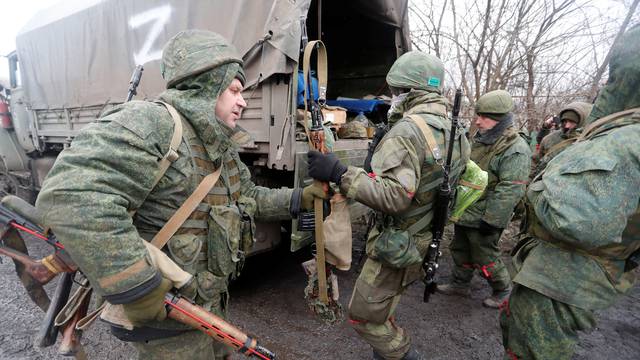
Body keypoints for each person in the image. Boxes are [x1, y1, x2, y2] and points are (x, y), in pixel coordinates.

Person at [35, 30, 324, 360]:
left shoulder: (219, 145)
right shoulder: (152, 123)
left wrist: (299, 199)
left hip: (207, 307)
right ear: (206, 85)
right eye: (233, 90)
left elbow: (247, 197)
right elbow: (70, 197)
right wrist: (138, 287)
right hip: (167, 316)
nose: (243, 101)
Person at [307, 51, 470, 360]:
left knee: (365, 318)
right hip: (423, 238)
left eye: (395, 90)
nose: (392, 96)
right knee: (383, 306)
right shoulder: (454, 129)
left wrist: (339, 172)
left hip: (399, 241)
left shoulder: (409, 131)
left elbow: (394, 196)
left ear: (407, 91)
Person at [501, 24, 640, 360]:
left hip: (566, 281)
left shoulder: (623, 143)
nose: (565, 126)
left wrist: (535, 186)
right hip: (553, 271)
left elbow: (576, 219)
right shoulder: (603, 137)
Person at [437, 90, 531, 308]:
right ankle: (460, 284)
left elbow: (510, 188)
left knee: (485, 255)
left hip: (486, 214)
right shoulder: (482, 140)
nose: (477, 121)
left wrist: (492, 220)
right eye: (478, 115)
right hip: (467, 208)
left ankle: (503, 289)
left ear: (500, 120)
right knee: (460, 248)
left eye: (484, 117)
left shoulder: (515, 148)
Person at [533, 101, 592, 167]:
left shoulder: (593, 141)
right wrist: (545, 128)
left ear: (583, 122)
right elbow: (536, 162)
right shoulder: (550, 139)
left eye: (572, 121)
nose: (567, 126)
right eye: (565, 121)